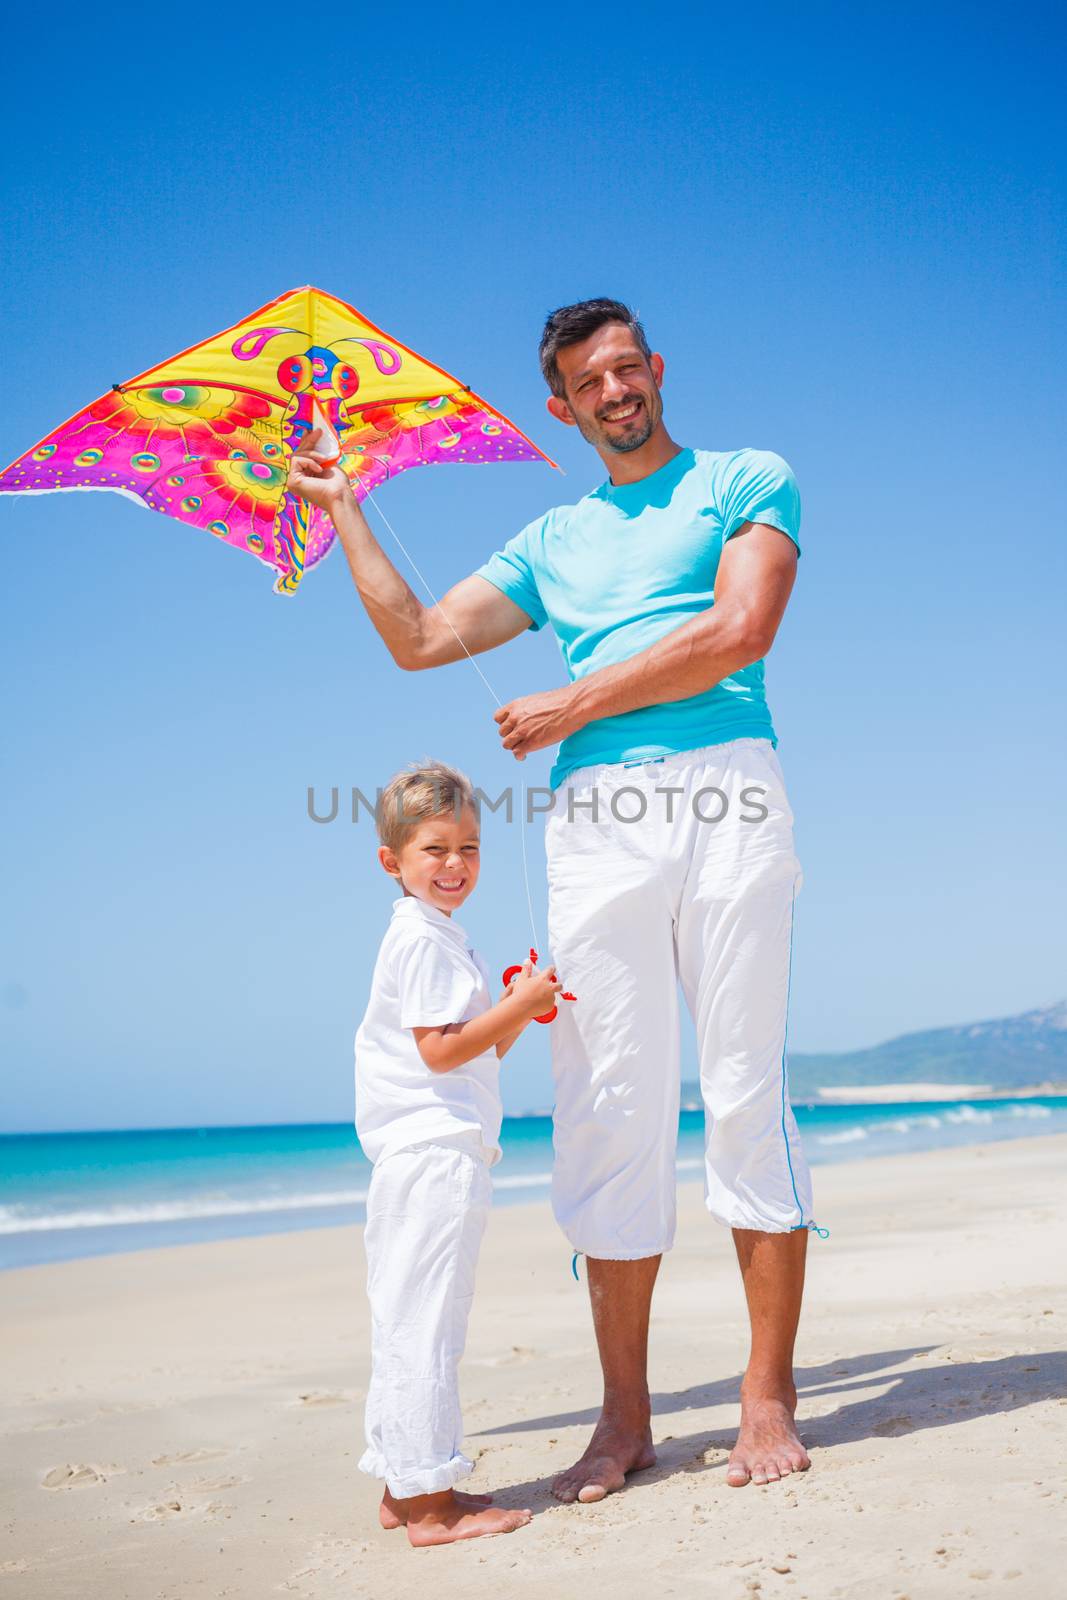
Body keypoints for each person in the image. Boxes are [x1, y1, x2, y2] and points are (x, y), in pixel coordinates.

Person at [290, 297, 816, 1502]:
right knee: (607, 1103)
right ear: (563, 404)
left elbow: (739, 628)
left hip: (729, 788)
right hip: (595, 823)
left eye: (629, 368)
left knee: (742, 1084)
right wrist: (343, 508)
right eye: (592, 380)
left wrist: (572, 702)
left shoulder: (744, 477)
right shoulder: (551, 537)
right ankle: (622, 1417)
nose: (617, 390)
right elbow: (420, 636)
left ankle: (762, 1393)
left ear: (655, 370)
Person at [354, 760, 564, 1546]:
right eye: (434, 850)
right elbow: (442, 1055)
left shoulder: (438, 939)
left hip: (424, 1149)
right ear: (393, 862)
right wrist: (513, 1005)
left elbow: (471, 1055)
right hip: (432, 1152)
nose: (455, 865)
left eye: (469, 848)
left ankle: (398, 1486)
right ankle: (432, 1508)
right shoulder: (423, 942)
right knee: (427, 1322)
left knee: (406, 1311)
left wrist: (515, 1012)